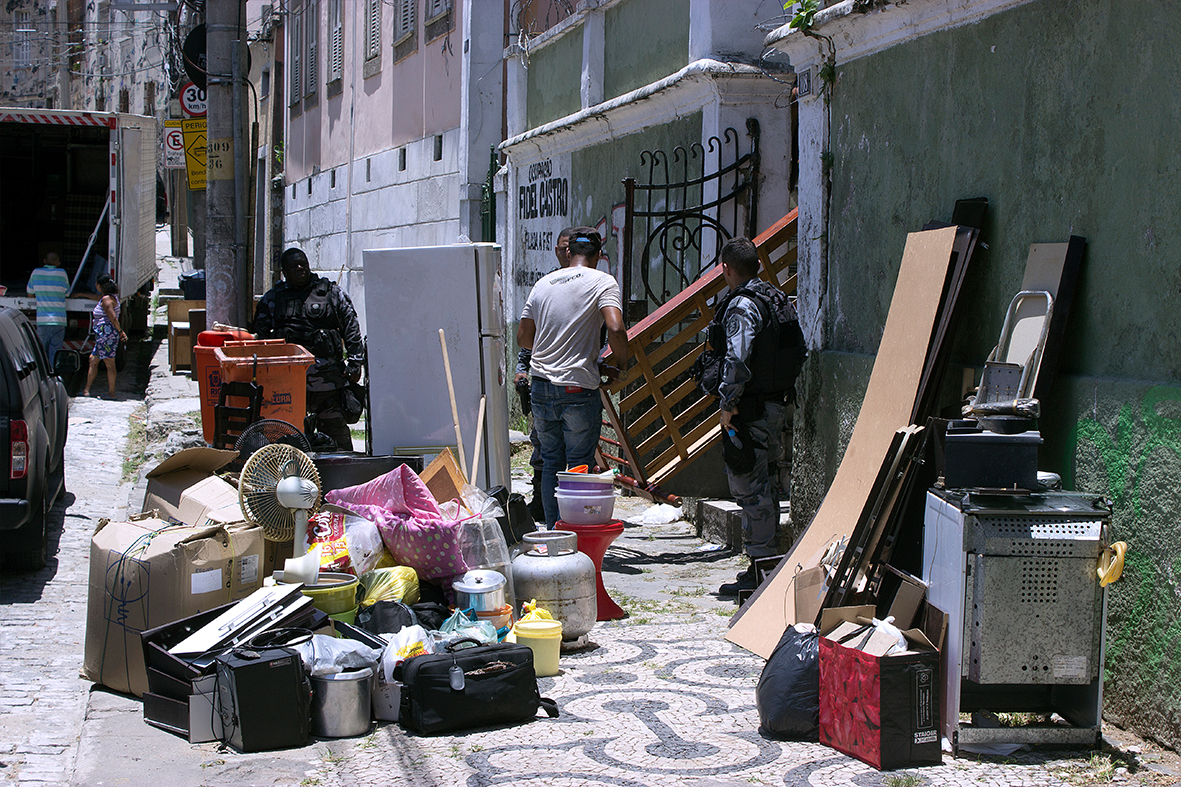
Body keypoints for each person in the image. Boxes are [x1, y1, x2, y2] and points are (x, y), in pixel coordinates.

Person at [713, 237, 805, 596]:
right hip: (775, 404)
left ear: (726, 269)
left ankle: (762, 567)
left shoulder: (744, 305)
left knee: (749, 484)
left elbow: (737, 358)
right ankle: (762, 562)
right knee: (764, 481)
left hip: (749, 407)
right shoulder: (776, 297)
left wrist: (727, 402)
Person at [517, 228, 627, 528]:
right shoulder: (603, 281)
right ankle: (575, 534)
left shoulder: (543, 283)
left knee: (551, 463)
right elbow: (615, 329)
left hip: (540, 386)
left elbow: (524, 339)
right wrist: (621, 362)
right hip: (577, 389)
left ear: (569, 252)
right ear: (598, 255)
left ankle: (555, 533)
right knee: (579, 464)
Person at [251, 247, 364, 451]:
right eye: (294, 266)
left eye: (303, 263)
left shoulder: (330, 292)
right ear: (284, 272)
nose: (301, 268)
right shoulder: (274, 297)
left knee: (335, 433)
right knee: (288, 435)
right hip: (287, 383)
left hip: (326, 380)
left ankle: (345, 471)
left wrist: (356, 362)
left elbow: (351, 325)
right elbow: (260, 335)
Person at [515, 227, 576, 522]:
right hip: (543, 379)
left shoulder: (592, 285)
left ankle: (571, 513)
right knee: (545, 448)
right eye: (562, 248)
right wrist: (521, 369)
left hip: (576, 379)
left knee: (573, 454)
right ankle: (543, 505)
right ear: (556, 250)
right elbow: (530, 333)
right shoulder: (546, 285)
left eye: (570, 248)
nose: (566, 253)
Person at [81, 274, 126, 400]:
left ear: (99, 285)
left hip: (107, 334)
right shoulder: (109, 297)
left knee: (109, 363)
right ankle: (86, 390)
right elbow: (98, 298)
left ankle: (112, 392)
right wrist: (82, 294)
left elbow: (113, 317)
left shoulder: (106, 300)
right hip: (103, 335)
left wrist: (120, 331)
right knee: (93, 360)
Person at [26, 252, 70, 365]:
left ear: (44, 261)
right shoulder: (62, 273)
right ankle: (54, 376)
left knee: (40, 352)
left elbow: (30, 293)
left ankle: (42, 377)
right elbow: (67, 293)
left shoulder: (36, 273)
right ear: (58, 263)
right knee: (55, 353)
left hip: (42, 320)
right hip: (59, 321)